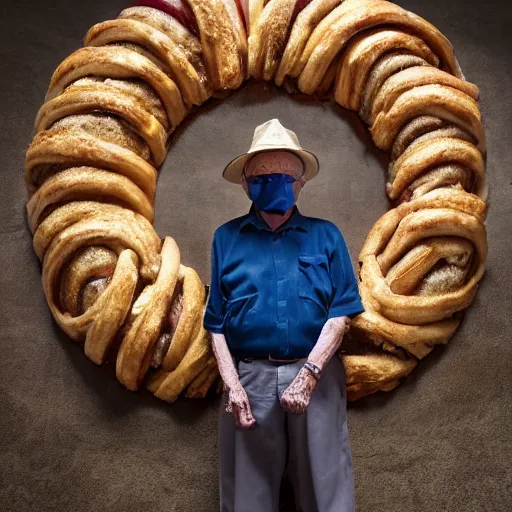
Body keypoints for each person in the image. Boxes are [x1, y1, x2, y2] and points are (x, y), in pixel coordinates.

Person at [203, 118, 364, 512]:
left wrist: (308, 375)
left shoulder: (327, 236)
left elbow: (341, 313)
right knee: (248, 497)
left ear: (301, 183)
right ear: (245, 182)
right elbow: (216, 323)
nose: (275, 182)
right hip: (250, 379)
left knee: (328, 494)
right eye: (263, 176)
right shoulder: (226, 238)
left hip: (317, 377)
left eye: (285, 175)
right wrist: (233, 386)